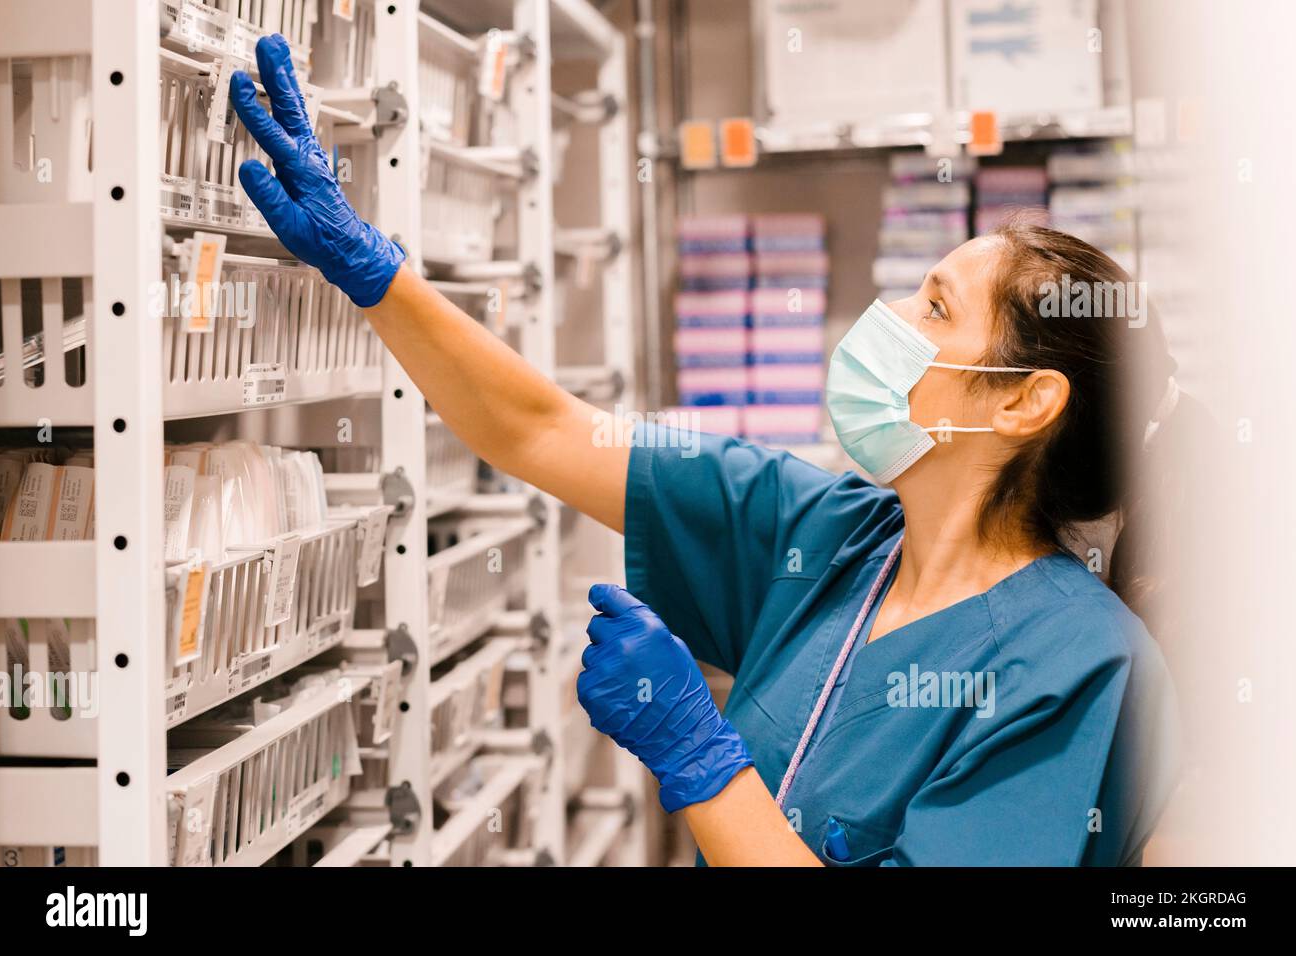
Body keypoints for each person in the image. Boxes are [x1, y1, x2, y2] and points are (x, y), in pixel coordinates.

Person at [230, 35, 1182, 866]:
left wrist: (699, 759)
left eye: (933, 308)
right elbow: (541, 429)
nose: (886, 320)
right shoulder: (823, 537)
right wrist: (372, 269)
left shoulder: (1079, 666)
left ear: (1025, 402)